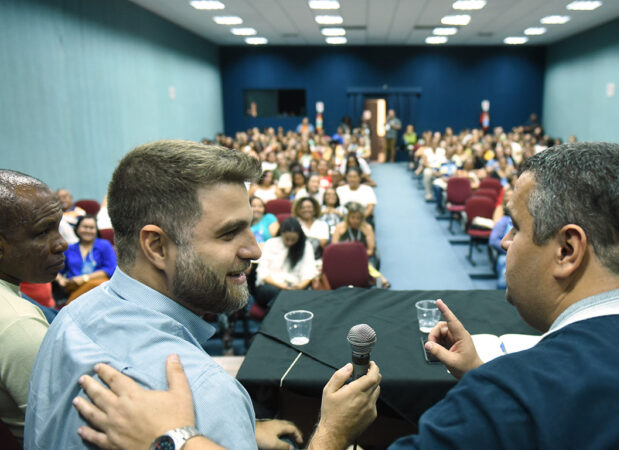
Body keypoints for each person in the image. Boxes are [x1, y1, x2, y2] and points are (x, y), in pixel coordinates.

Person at [70, 142, 619, 449]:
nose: (502, 242)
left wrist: (178, 441)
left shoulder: (509, 402)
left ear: (568, 251)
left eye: (516, 230)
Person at [25, 140, 380, 450]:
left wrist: (236, 433)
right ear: (157, 246)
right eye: (229, 234)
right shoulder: (207, 394)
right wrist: (332, 434)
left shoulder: (68, 321)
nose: (255, 250)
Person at [0, 170, 67, 445]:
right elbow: (66, 434)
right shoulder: (19, 323)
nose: (62, 243)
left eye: (58, 226)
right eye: (42, 232)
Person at [254, 217, 318, 310]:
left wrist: (300, 286)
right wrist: (281, 286)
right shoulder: (271, 243)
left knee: (289, 297)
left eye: (293, 239)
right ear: (281, 233)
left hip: (295, 287)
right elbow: (262, 272)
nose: (289, 242)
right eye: (287, 239)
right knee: (278, 295)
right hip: (272, 286)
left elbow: (309, 272)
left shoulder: (306, 246)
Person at [55, 215, 117, 303]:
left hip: (98, 289)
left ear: (96, 231)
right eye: (85, 227)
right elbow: (56, 270)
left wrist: (85, 278)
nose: (88, 230)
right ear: (77, 229)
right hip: (74, 288)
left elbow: (111, 269)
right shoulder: (69, 249)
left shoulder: (104, 245)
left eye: (91, 228)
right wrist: (61, 280)